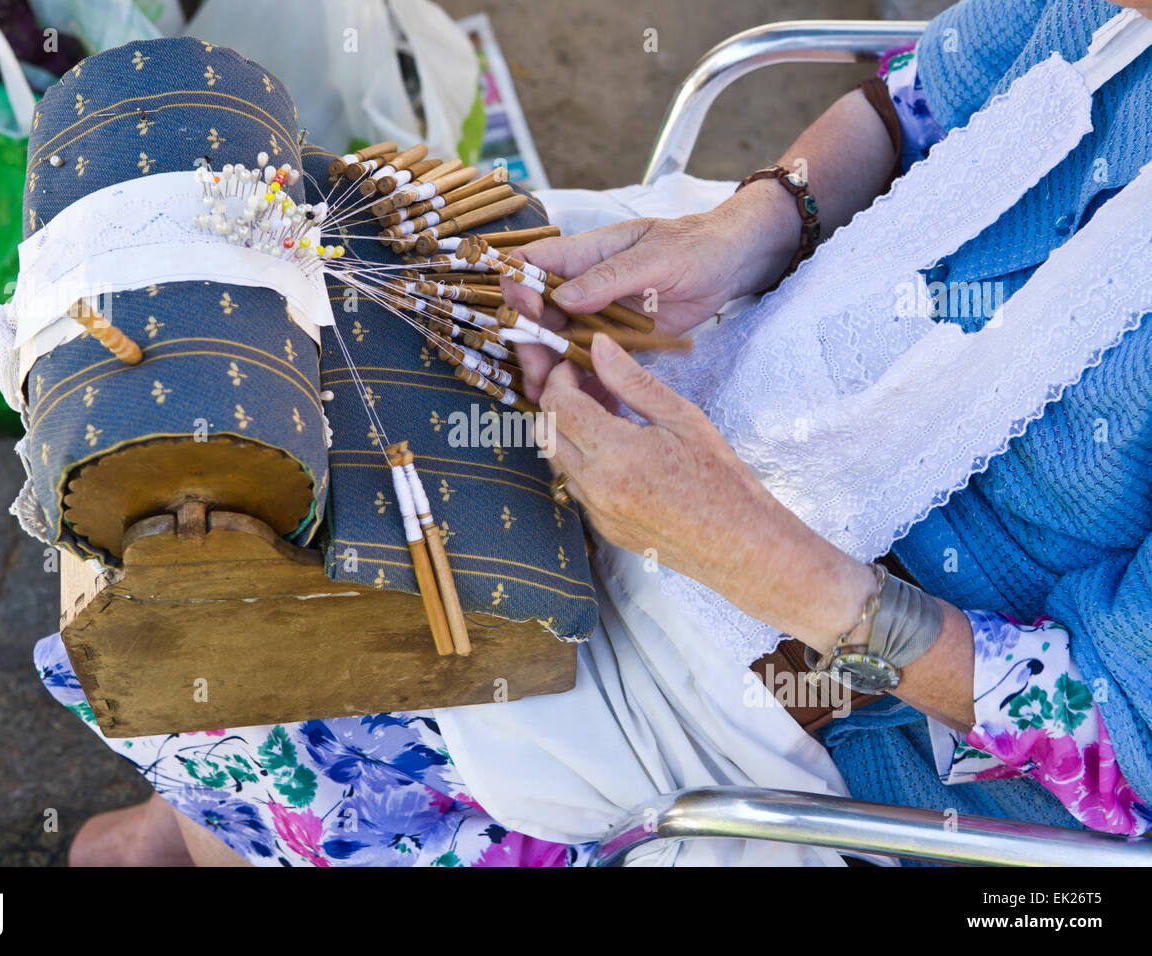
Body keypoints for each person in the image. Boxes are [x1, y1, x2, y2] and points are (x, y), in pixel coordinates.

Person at [58, 0, 1152, 865]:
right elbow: (914, 104)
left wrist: (745, 550)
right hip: (780, 340)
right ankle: (209, 827)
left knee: (337, 678)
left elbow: (1120, 750)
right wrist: (752, 226)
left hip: (852, 689)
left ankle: (237, 829)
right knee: (330, 372)